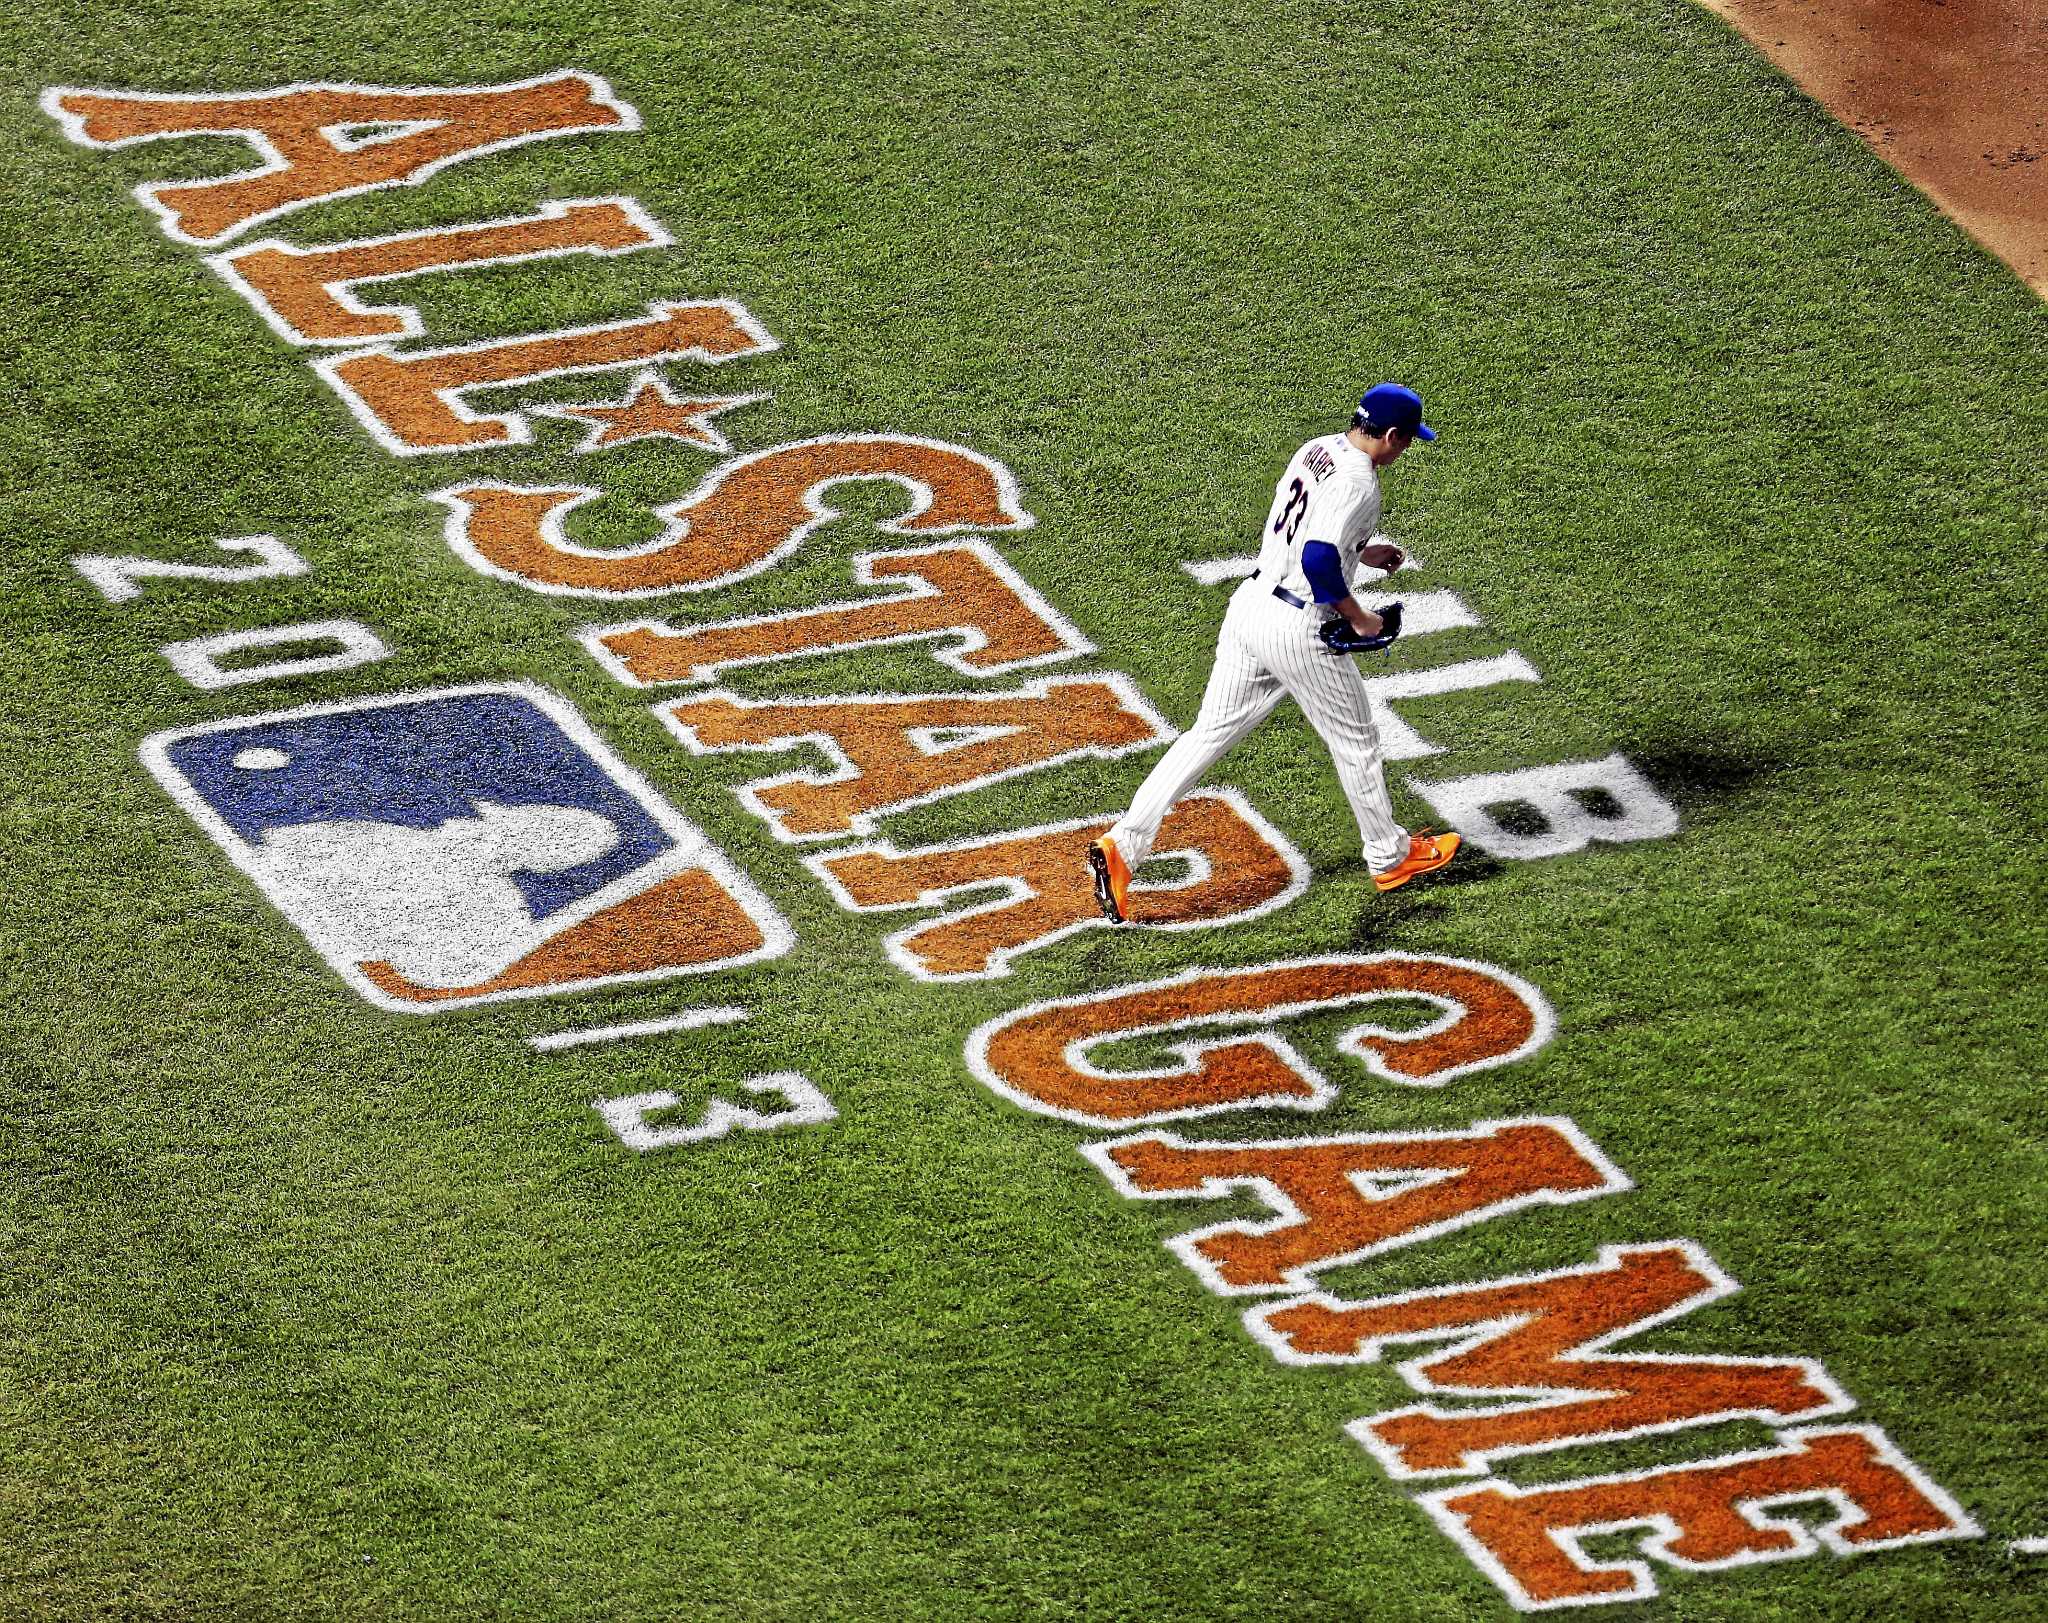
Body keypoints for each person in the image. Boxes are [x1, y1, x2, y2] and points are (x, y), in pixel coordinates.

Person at [1088, 383, 1461, 922]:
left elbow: (1309, 530)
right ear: (1394, 435)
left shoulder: (1319, 448)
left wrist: (1361, 549)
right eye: (1407, 442)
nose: (1405, 450)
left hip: (1250, 607)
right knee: (1357, 742)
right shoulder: (1360, 483)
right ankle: (1391, 857)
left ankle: (1125, 844)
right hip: (1298, 626)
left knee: (1207, 734)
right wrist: (1360, 618)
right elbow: (1316, 558)